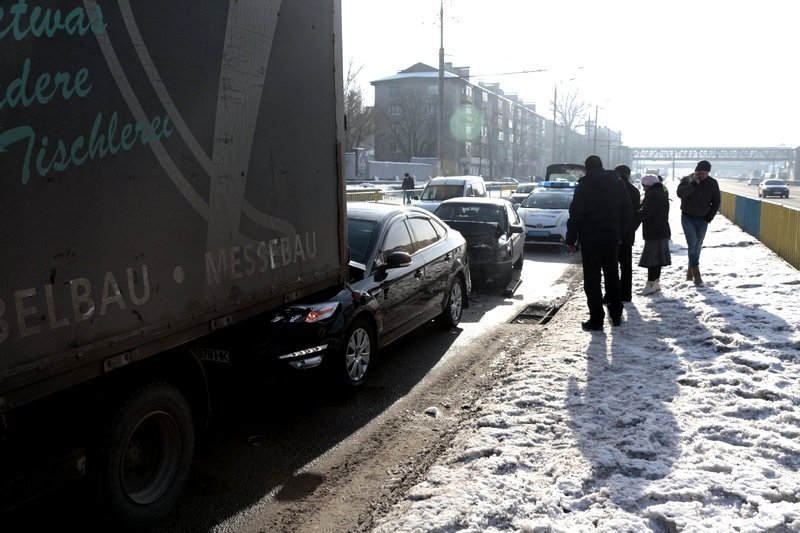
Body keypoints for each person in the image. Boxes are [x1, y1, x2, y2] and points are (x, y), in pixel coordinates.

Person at [565, 155, 633, 331]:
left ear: (587, 169)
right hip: (612, 239)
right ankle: (616, 314)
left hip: (590, 240)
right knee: (612, 275)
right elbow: (627, 210)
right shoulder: (617, 183)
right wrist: (620, 234)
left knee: (592, 280)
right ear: (603, 167)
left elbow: (576, 215)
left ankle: (596, 320)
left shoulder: (584, 186)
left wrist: (571, 240)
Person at [676, 160, 720, 285]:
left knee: (698, 245)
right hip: (687, 217)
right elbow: (680, 194)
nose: (703, 175)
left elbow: (716, 202)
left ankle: (690, 271)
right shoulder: (687, 180)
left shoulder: (712, 183)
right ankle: (697, 274)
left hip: (703, 219)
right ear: (696, 171)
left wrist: (710, 217)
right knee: (692, 243)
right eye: (701, 173)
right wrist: (694, 184)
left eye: (706, 173)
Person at [608, 164, 641, 302]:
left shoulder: (612, 189)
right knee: (626, 266)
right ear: (628, 174)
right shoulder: (634, 190)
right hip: (628, 233)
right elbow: (636, 212)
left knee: (611, 266)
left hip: (614, 232)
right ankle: (626, 294)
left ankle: (612, 294)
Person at [634, 174, 671, 295]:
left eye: (644, 186)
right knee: (658, 259)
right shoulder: (661, 192)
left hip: (654, 231)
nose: (643, 188)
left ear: (648, 185)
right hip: (662, 230)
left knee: (652, 260)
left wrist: (633, 215)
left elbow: (646, 212)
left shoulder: (653, 195)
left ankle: (650, 284)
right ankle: (655, 283)